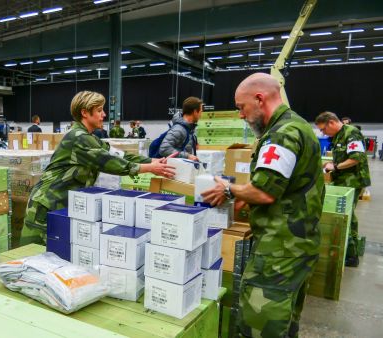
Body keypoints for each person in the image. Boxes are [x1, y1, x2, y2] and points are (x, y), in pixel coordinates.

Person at [201, 73, 324, 337]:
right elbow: (281, 185)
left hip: (281, 248)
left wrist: (228, 188)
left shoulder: (282, 134)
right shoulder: (296, 126)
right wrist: (245, 196)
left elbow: (264, 192)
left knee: (261, 321)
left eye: (241, 107)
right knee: (285, 318)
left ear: (259, 99)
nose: (241, 116)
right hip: (298, 242)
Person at [22, 91, 175, 245]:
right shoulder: (78, 138)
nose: (104, 114)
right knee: (37, 257)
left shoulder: (91, 138)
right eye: (99, 110)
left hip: (61, 206)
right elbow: (111, 163)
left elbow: (121, 156)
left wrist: (155, 160)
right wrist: (150, 168)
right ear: (84, 113)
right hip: (45, 207)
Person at [316, 111, 370, 267]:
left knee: (347, 215)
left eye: (323, 129)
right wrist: (330, 165)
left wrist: (336, 166)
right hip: (343, 180)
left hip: (353, 181)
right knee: (347, 215)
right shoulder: (338, 135)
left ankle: (351, 255)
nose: (323, 133)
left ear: (331, 123)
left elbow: (356, 157)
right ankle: (350, 252)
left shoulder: (351, 133)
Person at [158, 96, 202, 161]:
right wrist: (187, 156)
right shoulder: (179, 129)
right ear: (195, 112)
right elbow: (164, 149)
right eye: (201, 111)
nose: (201, 114)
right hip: (177, 169)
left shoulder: (189, 128)